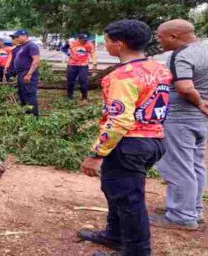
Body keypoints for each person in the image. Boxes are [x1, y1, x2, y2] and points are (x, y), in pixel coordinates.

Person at [78, 20, 171, 256]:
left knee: (130, 202)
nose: (105, 45)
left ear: (119, 44)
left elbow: (119, 120)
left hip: (129, 143)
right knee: (117, 191)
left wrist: (96, 154)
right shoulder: (158, 68)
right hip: (154, 139)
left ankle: (136, 251)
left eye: (107, 40)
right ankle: (114, 235)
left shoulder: (123, 77)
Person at [151, 19, 208, 230]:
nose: (159, 40)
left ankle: (181, 216)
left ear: (174, 36)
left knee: (178, 166)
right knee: (195, 165)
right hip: (202, 120)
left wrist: (201, 102)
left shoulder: (181, 55)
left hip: (180, 119)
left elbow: (184, 88)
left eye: (160, 36)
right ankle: (193, 208)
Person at [11, 30, 40, 116]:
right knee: (22, 95)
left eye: (18, 37)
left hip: (27, 73)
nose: (16, 39)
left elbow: (36, 61)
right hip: (21, 74)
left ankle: (34, 117)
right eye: (15, 37)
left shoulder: (32, 46)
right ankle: (26, 114)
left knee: (30, 95)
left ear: (25, 36)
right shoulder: (23, 46)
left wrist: (29, 74)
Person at [62, 33, 98, 100]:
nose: (85, 41)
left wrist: (94, 62)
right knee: (70, 81)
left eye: (86, 40)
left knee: (83, 81)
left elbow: (93, 53)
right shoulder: (71, 43)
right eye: (83, 40)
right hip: (72, 65)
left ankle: (84, 96)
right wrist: (68, 53)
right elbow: (63, 48)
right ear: (78, 39)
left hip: (83, 65)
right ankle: (69, 96)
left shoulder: (89, 44)